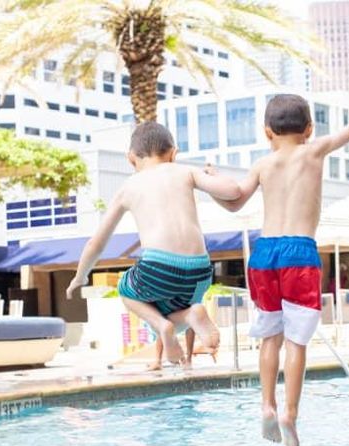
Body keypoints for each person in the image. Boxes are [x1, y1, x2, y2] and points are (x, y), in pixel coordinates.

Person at [211, 76, 349, 446]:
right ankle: (289, 412)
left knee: (269, 336)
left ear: (267, 131)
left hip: (264, 253)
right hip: (299, 253)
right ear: (309, 128)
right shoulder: (314, 151)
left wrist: (212, 181)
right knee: (296, 341)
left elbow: (235, 200)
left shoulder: (262, 164)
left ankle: (266, 405)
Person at [67, 121, 240, 367]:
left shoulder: (128, 187)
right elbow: (233, 191)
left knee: (126, 288)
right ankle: (191, 314)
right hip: (201, 270)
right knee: (175, 313)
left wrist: (80, 277)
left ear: (131, 159)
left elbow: (97, 243)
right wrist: (215, 176)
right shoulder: (185, 171)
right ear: (173, 153)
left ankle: (161, 326)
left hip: (158, 266)